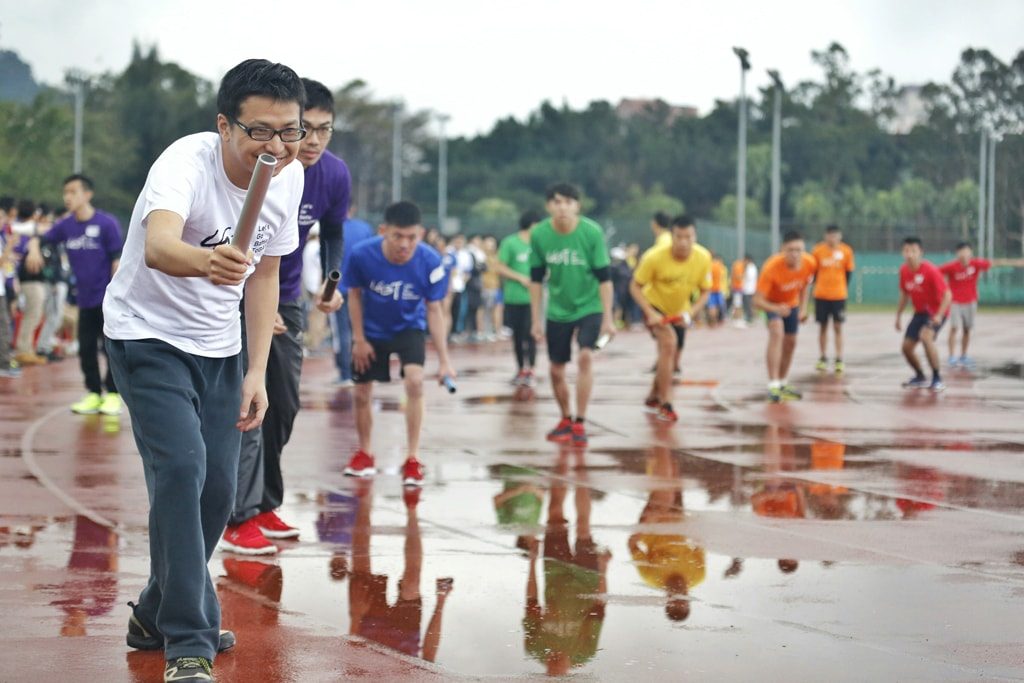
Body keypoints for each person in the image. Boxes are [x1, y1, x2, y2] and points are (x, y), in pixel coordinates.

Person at [102, 58, 306, 681]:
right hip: (148, 337)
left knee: (217, 493)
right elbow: (161, 246)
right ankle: (188, 639)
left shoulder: (287, 177)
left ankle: (153, 613)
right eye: (261, 133)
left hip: (221, 348)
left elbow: (266, 273)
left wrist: (256, 372)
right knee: (181, 472)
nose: (277, 147)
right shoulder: (184, 164)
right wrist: (205, 263)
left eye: (290, 132)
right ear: (224, 125)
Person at [222, 77, 347, 556]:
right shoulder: (264, 164)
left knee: (284, 405)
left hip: (287, 294)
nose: (312, 141)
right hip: (242, 289)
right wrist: (253, 305)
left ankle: (265, 502)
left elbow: (333, 232)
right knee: (249, 402)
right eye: (304, 129)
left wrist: (334, 280)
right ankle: (239, 514)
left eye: (323, 131)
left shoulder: (333, 175)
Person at [341, 200, 454, 486]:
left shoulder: (430, 261)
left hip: (408, 327)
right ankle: (365, 453)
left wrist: (445, 361)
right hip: (371, 329)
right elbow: (353, 295)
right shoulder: (361, 255)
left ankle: (413, 458)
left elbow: (434, 309)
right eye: (398, 236)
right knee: (362, 392)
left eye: (412, 237)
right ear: (383, 231)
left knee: (415, 382)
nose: (405, 244)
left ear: (421, 234)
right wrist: (358, 339)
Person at [26, 175, 124, 414]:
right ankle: (93, 393)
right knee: (86, 348)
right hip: (84, 298)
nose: (67, 197)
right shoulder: (66, 225)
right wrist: (34, 250)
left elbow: (117, 260)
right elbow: (39, 237)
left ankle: (112, 394)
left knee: (110, 348)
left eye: (73, 192)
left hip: (107, 299)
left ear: (87, 194)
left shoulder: (106, 224)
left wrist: (117, 296)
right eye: (65, 193)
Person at [529, 183, 615, 446]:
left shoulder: (591, 232)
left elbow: (605, 278)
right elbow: (535, 280)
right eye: (557, 202)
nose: (562, 207)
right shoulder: (540, 235)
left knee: (586, 357)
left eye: (568, 202)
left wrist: (608, 318)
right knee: (556, 370)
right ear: (549, 207)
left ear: (577, 206)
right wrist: (536, 320)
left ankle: (580, 421)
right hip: (558, 309)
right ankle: (566, 417)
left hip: (589, 306)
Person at [629, 215, 711, 422]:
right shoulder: (654, 257)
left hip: (680, 311)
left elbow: (705, 291)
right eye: (679, 237)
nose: (683, 242)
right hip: (654, 307)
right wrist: (650, 313)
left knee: (671, 355)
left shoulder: (703, 257)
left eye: (688, 237)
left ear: (695, 236)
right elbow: (635, 286)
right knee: (669, 344)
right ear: (671, 236)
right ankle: (666, 402)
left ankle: (653, 396)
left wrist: (691, 313)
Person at [938, 242, 1024, 367]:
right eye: (961, 251)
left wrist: (1016, 263)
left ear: (971, 253)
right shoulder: (951, 266)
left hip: (971, 301)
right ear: (957, 253)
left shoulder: (976, 264)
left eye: (967, 251)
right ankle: (951, 356)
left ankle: (963, 355)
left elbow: (996, 263)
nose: (964, 254)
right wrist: (943, 285)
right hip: (955, 302)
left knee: (967, 329)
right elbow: (935, 273)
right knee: (954, 327)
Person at [754, 231, 817, 402]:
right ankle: (773, 385)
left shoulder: (809, 263)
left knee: (791, 342)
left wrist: (803, 309)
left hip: (792, 304)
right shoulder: (771, 268)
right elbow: (757, 300)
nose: (795, 254)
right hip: (770, 303)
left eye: (799, 250)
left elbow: (805, 286)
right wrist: (775, 308)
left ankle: (782, 382)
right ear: (783, 249)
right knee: (777, 331)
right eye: (791, 250)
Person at [895, 237, 951, 392]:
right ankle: (920, 376)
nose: (910, 254)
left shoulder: (931, 270)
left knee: (926, 337)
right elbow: (905, 295)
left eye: (913, 250)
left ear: (920, 252)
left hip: (936, 312)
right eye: (906, 250)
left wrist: (939, 315)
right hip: (919, 313)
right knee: (906, 348)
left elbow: (947, 295)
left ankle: (937, 378)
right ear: (902, 252)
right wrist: (898, 316)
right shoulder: (904, 270)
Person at [496, 209, 541, 385]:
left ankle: (532, 370)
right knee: (517, 336)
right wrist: (520, 277)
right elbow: (499, 267)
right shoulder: (510, 242)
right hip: (514, 298)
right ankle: (521, 369)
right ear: (532, 225)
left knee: (531, 335)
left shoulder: (538, 244)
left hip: (533, 300)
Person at [333, 207, 376, 386]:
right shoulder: (365, 228)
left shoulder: (332, 227)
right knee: (362, 330)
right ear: (353, 208)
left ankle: (345, 373)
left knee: (342, 331)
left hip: (338, 288)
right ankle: (365, 371)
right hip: (361, 289)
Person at [810, 225, 855, 374]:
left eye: (835, 235)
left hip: (838, 296)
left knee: (838, 327)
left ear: (840, 236)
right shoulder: (818, 251)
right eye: (829, 235)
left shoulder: (846, 251)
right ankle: (823, 357)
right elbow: (813, 272)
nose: (832, 238)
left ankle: (839, 358)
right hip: (821, 295)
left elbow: (848, 272)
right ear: (825, 236)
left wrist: (841, 287)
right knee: (822, 327)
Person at [10, 199, 48, 367]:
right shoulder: (19, 227)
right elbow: (42, 229)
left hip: (25, 279)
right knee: (32, 314)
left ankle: (27, 349)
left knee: (35, 314)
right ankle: (23, 350)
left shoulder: (23, 229)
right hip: (25, 279)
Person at [705, 252, 727, 326]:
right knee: (717, 306)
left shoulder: (709, 266)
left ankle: (712, 321)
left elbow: (707, 277)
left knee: (711, 306)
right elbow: (723, 277)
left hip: (710, 289)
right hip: (718, 289)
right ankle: (715, 321)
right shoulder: (719, 266)